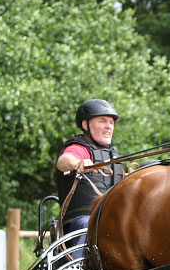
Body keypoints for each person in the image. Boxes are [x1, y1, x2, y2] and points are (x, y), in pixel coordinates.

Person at [54, 99, 127, 253]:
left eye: (111, 123)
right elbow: (63, 161)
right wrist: (78, 164)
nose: (109, 126)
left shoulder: (114, 157)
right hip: (80, 222)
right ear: (85, 125)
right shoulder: (79, 148)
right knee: (89, 224)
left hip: (111, 221)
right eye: (103, 121)